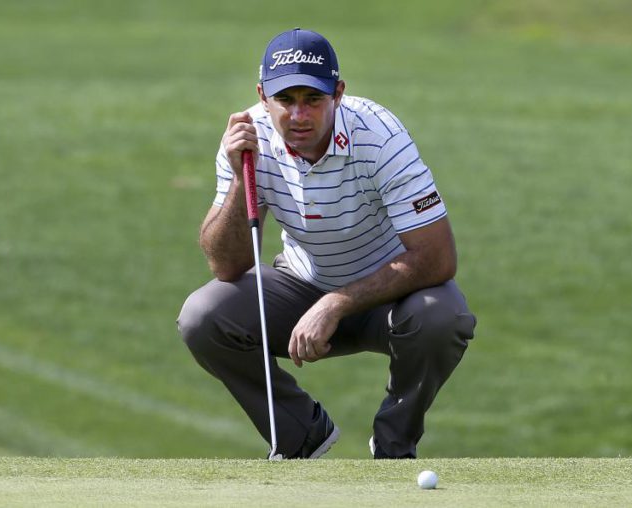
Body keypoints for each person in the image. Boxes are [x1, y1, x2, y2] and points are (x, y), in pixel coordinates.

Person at [177, 28, 476, 459]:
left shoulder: (380, 136)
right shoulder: (248, 139)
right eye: (286, 100)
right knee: (203, 317)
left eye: (313, 100)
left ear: (337, 93)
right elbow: (228, 266)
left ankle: (394, 444)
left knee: (443, 316)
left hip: (391, 297)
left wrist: (335, 303)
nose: (298, 116)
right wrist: (241, 178)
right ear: (263, 96)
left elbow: (438, 257)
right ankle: (300, 434)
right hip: (300, 283)